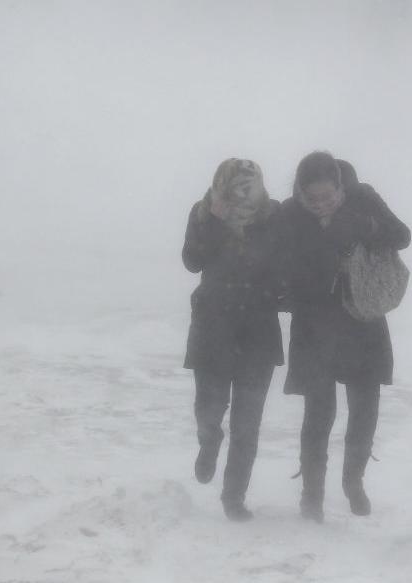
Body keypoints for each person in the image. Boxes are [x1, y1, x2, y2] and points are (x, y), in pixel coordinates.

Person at [275, 152, 410, 522]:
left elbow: (402, 236)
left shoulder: (362, 197)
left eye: (328, 196)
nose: (320, 204)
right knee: (319, 415)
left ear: (340, 186)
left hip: (362, 320)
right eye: (311, 199)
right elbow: (275, 260)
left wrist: (362, 226)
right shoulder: (290, 214)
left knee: (364, 411)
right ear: (300, 193)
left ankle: (353, 481)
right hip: (314, 325)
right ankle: (312, 496)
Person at [182, 158, 284, 522]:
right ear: (221, 184)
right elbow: (192, 261)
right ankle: (209, 443)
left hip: (257, 332)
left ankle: (233, 497)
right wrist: (213, 218)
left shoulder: (273, 216)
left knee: (248, 423)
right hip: (213, 330)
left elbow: (283, 266)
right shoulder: (204, 212)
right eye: (236, 184)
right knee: (208, 411)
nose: (244, 191)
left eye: (250, 183)